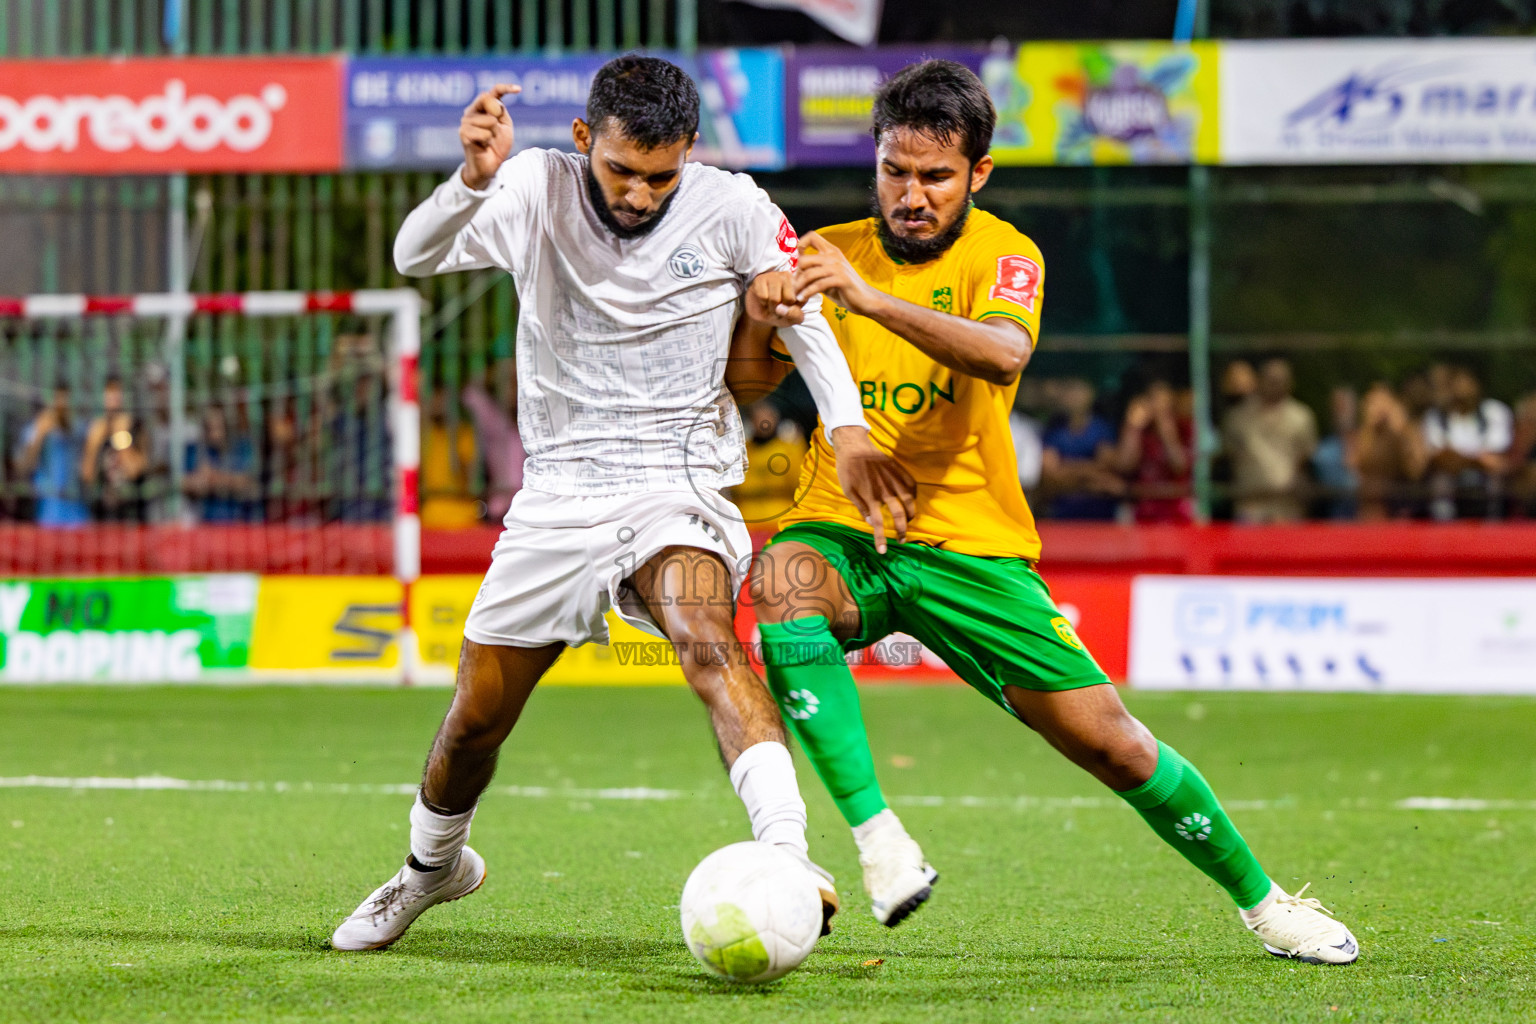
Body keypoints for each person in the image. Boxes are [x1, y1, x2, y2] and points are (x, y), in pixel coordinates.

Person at [737, 59, 1358, 963]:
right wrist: (756, 317)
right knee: (784, 583)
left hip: (970, 544)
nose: (911, 195)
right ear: (875, 162)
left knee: (1115, 747)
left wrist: (869, 298)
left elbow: (997, 355)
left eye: (935, 177)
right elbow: (748, 379)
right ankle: (879, 843)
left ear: (977, 175)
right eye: (894, 172)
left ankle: (1266, 904)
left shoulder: (1005, 253)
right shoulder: (824, 249)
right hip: (843, 522)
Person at [330, 55, 909, 952]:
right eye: (621, 171)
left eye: (660, 175)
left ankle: (787, 857)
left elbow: (804, 313)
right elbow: (416, 254)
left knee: (709, 641)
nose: (640, 194)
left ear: (689, 154)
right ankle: (430, 868)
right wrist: (470, 181)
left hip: (675, 482)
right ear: (582, 140)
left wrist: (849, 426)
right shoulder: (530, 185)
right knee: (477, 716)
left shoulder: (735, 206)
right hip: (558, 492)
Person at [1221, 358, 1317, 523]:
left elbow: (1305, 458)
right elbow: (1229, 455)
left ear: (1290, 383)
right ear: (1260, 380)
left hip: (1287, 508)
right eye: (1271, 379)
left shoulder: (1302, 417)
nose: (1275, 384)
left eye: (1280, 380)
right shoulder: (1238, 417)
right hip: (1250, 507)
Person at [1422, 364, 1511, 520]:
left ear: (1477, 385)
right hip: (1451, 476)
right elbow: (1438, 457)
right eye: (1457, 382)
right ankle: (1443, 530)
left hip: (1485, 476)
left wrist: (1459, 458)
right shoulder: (1436, 416)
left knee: (1496, 478)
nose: (1462, 388)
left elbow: (1495, 456)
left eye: (1467, 382)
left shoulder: (1495, 411)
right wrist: (1475, 459)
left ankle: (1494, 525)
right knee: (1440, 481)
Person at [1039, 377, 1122, 520]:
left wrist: (1066, 471)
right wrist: (1090, 477)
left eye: (1077, 390)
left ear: (1091, 393)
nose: (1072, 396)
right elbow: (1050, 473)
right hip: (1062, 515)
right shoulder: (1054, 430)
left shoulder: (1102, 428)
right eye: (1068, 389)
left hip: (1100, 516)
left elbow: (1107, 467)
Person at [1114, 377, 1194, 523]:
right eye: (1152, 399)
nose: (1156, 406)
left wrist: (1166, 430)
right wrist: (1133, 427)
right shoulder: (1140, 430)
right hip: (1144, 510)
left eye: (1162, 400)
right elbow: (1124, 466)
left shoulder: (1183, 427)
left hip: (1176, 510)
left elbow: (1180, 466)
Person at [14, 384, 89, 528]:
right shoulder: (36, 428)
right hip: (47, 514)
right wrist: (40, 434)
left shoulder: (79, 429)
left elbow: (87, 471)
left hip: (77, 515)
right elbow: (22, 468)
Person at [80, 376, 149, 522]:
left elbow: (136, 471)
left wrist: (121, 438)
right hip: (104, 515)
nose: (113, 398)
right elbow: (87, 476)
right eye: (109, 393)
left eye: (117, 393)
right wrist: (93, 443)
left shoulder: (135, 426)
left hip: (131, 514)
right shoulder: (97, 429)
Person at [1354, 381, 1426, 520]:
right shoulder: (1363, 435)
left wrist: (1401, 432)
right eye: (1372, 403)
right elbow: (1356, 466)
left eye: (1383, 402)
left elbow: (1416, 471)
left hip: (1403, 506)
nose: (1378, 409)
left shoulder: (1408, 431)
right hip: (1371, 508)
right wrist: (1369, 430)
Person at [182, 406, 259, 523]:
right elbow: (186, 484)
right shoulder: (196, 449)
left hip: (237, 523)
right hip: (206, 524)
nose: (214, 434)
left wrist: (212, 478)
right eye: (209, 428)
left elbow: (248, 483)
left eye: (218, 427)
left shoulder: (242, 447)